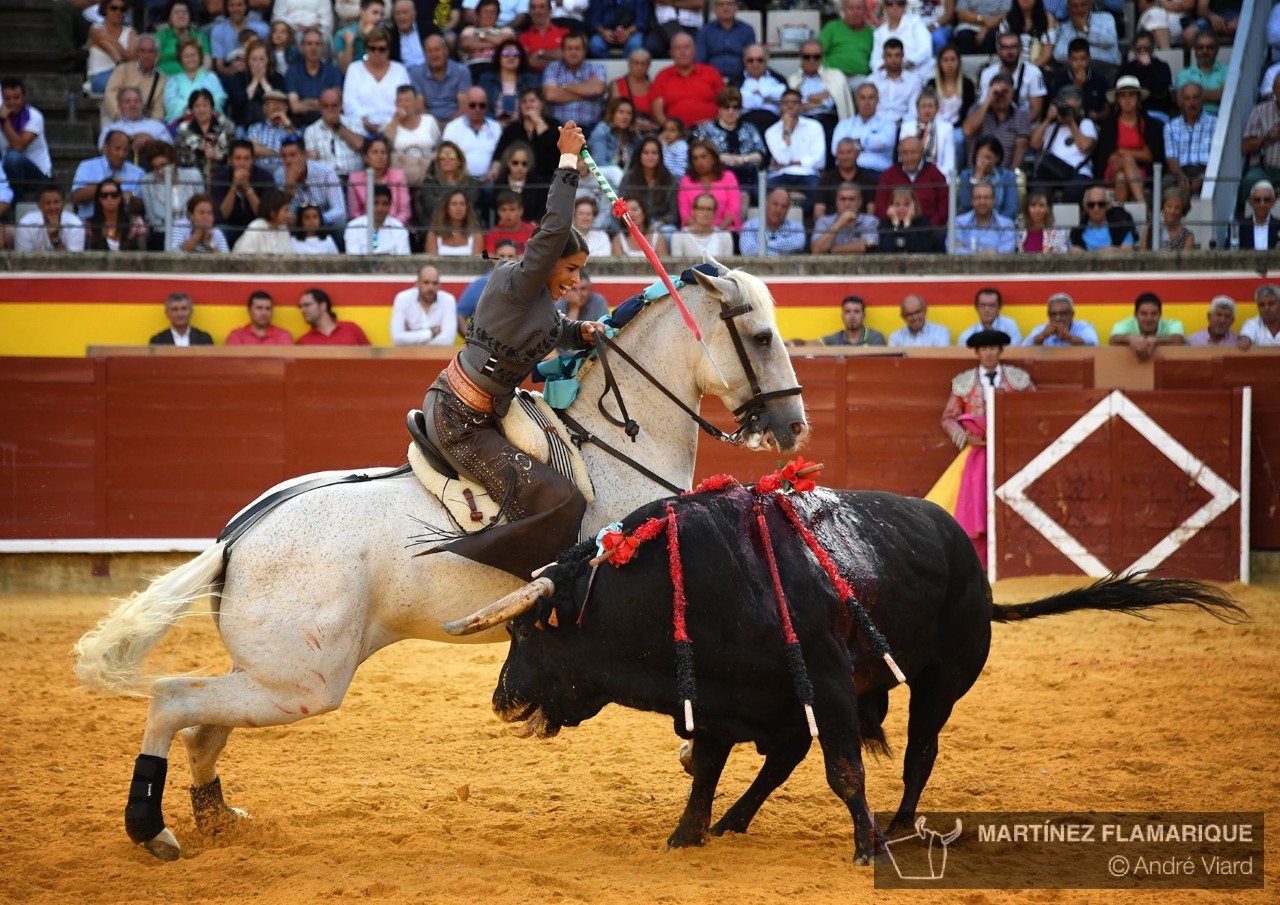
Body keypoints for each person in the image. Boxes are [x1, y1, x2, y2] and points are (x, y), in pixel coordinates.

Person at [419, 119, 597, 581]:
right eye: (571, 268)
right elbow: (556, 225)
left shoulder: (534, 303)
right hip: (460, 421)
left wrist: (585, 333)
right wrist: (567, 159)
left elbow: (557, 330)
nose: (575, 281)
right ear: (548, 259)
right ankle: (517, 584)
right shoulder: (520, 283)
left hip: (483, 412)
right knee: (565, 500)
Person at [926, 328, 1035, 569]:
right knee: (975, 504)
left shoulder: (1019, 379)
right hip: (978, 453)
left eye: (993, 348)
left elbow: (1034, 411)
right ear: (977, 352)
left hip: (1011, 454)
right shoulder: (964, 382)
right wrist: (965, 437)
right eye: (984, 348)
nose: (989, 353)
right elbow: (948, 418)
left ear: (1000, 350)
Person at [1094, 76, 1163, 208]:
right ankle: (1144, 207)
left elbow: (1150, 156)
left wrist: (1122, 151)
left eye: (1131, 95)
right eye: (1123, 96)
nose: (1127, 100)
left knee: (1121, 177)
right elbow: (1106, 156)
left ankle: (1119, 218)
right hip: (1111, 170)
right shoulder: (1109, 125)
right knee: (1126, 161)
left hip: (1139, 171)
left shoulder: (1149, 124)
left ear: (1138, 98)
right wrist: (1131, 155)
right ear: (1117, 99)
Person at [1029, 85, 1096, 203]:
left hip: (1078, 172)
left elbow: (1085, 146)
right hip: (1051, 170)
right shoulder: (1052, 127)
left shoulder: (1085, 124)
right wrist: (1048, 119)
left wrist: (1071, 123)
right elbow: (1034, 144)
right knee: (1038, 191)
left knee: (1072, 192)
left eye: (1070, 109)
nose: (1066, 111)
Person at [695, 87, 767, 193]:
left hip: (747, 180)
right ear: (719, 109)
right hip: (716, 180)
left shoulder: (750, 128)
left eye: (735, 107)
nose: (731, 111)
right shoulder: (706, 129)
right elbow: (697, 155)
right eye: (726, 107)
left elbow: (761, 155)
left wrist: (744, 159)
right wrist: (720, 158)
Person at [831, 83, 898, 196]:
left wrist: (859, 142)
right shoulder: (844, 124)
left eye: (871, 98)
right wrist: (871, 143)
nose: (867, 102)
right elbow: (835, 149)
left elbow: (886, 141)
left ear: (877, 100)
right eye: (863, 98)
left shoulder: (888, 123)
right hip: (847, 172)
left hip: (877, 172)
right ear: (856, 101)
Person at [343, 26, 410, 134]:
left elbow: (406, 102)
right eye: (372, 48)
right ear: (366, 48)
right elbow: (349, 102)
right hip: (360, 126)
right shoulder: (354, 69)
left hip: (395, 125)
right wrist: (365, 121)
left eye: (381, 49)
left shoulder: (400, 70)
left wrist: (392, 123)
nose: (377, 53)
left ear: (389, 50)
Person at [650, 32, 724, 130]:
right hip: (676, 134)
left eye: (686, 47)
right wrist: (671, 129)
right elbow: (657, 111)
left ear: (694, 50)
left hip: (710, 130)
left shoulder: (711, 72)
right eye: (677, 48)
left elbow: (725, 103)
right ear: (671, 53)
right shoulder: (663, 76)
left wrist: (713, 124)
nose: (682, 51)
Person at [764, 90, 824, 208]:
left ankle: (798, 215)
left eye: (794, 102)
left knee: (820, 192)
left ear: (801, 105)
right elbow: (783, 159)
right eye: (786, 103)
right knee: (760, 191)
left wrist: (790, 163)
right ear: (781, 106)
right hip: (781, 174)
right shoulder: (771, 131)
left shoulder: (814, 126)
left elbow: (819, 160)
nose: (790, 106)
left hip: (808, 174)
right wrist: (786, 130)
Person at [962, 72, 1030, 174]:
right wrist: (989, 99)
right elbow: (967, 131)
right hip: (975, 172)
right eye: (997, 92)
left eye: (1005, 91)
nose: (1001, 96)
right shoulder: (977, 109)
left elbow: (1021, 146)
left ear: (1013, 93)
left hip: (1004, 174)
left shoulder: (1021, 115)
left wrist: (1011, 176)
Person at [876, 135, 948, 229]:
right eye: (905, 153)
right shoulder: (889, 175)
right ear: (900, 155)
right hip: (895, 227)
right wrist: (895, 222)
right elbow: (881, 206)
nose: (909, 157)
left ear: (922, 152)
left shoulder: (935, 174)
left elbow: (944, 205)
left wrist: (930, 226)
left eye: (913, 152)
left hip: (929, 228)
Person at [0, 78, 54, 201]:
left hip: (38, 175)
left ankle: (16, 203)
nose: (12, 103)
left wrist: (5, 121)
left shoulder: (35, 116)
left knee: (13, 157)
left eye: (16, 98)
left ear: (24, 97)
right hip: (8, 174)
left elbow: (19, 146)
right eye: (7, 99)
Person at [541, 32, 606, 134]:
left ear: (584, 51)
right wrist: (587, 93)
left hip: (591, 128)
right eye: (569, 48)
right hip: (560, 129)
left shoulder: (596, 68)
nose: (573, 53)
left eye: (577, 48)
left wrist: (564, 87)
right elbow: (550, 95)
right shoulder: (553, 68)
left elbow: (598, 89)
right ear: (562, 51)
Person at [71, 131, 144, 220]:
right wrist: (107, 184)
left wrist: (131, 196)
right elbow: (76, 197)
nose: (121, 154)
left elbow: (141, 206)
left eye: (125, 150)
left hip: (124, 226)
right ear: (106, 147)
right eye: (117, 149)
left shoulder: (137, 172)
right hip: (90, 223)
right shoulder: (87, 166)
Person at [278, 134, 346, 231]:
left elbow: (339, 210)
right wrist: (289, 185)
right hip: (296, 227)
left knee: (340, 225)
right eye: (284, 156)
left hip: (323, 223)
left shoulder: (326, 172)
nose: (287, 161)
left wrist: (313, 221)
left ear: (304, 155)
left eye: (292, 155)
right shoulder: (279, 175)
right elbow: (282, 214)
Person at [212, 140, 274, 245]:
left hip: (256, 228)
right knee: (219, 231)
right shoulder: (219, 177)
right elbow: (222, 215)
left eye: (246, 158)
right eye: (238, 158)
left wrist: (248, 189)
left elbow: (264, 215)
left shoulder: (265, 177)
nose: (242, 163)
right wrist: (234, 187)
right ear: (230, 160)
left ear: (253, 159)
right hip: (230, 227)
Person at [978, 31, 1046, 123]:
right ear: (999, 50)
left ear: (1020, 49)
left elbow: (1036, 110)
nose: (1009, 52)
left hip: (1026, 124)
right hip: (995, 124)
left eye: (1013, 47)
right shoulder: (987, 73)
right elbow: (983, 106)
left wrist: (1017, 128)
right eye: (1005, 47)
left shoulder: (1034, 72)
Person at [455, 238, 519, 333]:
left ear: (517, 258)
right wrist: (472, 340)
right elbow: (460, 315)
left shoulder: (525, 285)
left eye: (510, 256)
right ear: (494, 257)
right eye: (501, 256)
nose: (506, 260)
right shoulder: (479, 285)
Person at [1163, 82, 1215, 198]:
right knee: (1164, 184)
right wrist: (1180, 176)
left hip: (1205, 170)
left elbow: (1217, 157)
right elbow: (1171, 157)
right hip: (1179, 170)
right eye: (1187, 98)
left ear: (1202, 99)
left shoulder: (1215, 124)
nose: (1192, 103)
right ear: (1181, 102)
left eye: (1195, 98)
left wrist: (1203, 177)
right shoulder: (1171, 126)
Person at [102, 34, 167, 127]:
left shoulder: (162, 79)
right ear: (137, 53)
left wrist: (149, 127)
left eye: (150, 51)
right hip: (119, 120)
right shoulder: (123, 70)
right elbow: (110, 94)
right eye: (142, 51)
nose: (146, 55)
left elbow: (158, 110)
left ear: (156, 54)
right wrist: (120, 117)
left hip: (146, 124)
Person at [443, 86, 505, 182]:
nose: (477, 109)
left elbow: (502, 156)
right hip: (461, 181)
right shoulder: (452, 127)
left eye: (482, 105)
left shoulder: (496, 127)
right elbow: (447, 156)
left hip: (491, 180)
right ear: (465, 105)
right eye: (472, 105)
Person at [678, 140, 741, 232]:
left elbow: (733, 209)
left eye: (703, 157)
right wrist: (701, 232)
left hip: (724, 230)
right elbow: (685, 213)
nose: (699, 162)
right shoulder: (686, 181)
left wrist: (718, 230)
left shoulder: (728, 177)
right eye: (695, 158)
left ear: (713, 159)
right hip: (695, 231)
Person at [285, 28, 342, 128]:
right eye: (309, 44)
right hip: (300, 124)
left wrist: (306, 102)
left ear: (323, 47)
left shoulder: (333, 72)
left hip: (327, 124)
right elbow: (295, 107)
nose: (313, 48)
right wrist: (321, 104)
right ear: (302, 47)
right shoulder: (293, 72)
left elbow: (333, 106)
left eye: (317, 44)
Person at [302, 88, 366, 179]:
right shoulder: (311, 131)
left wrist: (338, 126)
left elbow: (360, 145)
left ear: (341, 106)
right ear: (320, 107)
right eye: (326, 106)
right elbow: (312, 163)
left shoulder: (355, 123)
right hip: (327, 181)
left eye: (334, 106)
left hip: (354, 179)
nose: (330, 110)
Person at [163, 38, 227, 126]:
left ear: (199, 56)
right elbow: (171, 103)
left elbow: (219, 98)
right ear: (180, 58)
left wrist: (202, 109)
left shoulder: (210, 77)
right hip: (182, 123)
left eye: (193, 55)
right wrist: (194, 108)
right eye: (186, 56)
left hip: (210, 121)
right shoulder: (173, 80)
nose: (190, 59)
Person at [620, 135, 679, 231]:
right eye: (646, 153)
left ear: (660, 156)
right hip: (634, 221)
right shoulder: (629, 178)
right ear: (639, 155)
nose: (650, 156)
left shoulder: (670, 179)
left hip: (660, 224)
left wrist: (658, 225)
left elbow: (673, 213)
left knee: (669, 231)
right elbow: (621, 205)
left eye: (654, 153)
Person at [409, 34, 472, 124]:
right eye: (429, 51)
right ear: (424, 54)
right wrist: (435, 126)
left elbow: (463, 107)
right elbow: (420, 107)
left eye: (437, 50)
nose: (434, 54)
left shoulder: (461, 71)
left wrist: (449, 126)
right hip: (428, 122)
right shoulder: (416, 74)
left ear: (446, 51)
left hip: (457, 121)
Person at [100, 87, 172, 164]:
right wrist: (129, 140)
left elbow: (169, 150)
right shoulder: (111, 129)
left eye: (136, 101)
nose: (132, 105)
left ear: (142, 105)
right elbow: (103, 150)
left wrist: (151, 141)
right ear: (119, 107)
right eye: (127, 102)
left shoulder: (157, 126)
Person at [391, 264, 458, 346]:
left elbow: (448, 340)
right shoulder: (402, 299)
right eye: (426, 282)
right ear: (417, 284)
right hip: (408, 356)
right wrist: (430, 333)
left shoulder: (448, 300)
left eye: (434, 283)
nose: (430, 288)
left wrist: (412, 340)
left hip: (437, 357)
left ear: (439, 285)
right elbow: (397, 338)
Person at [227, 40, 288, 131]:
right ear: (248, 61)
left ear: (268, 60)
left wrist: (263, 82)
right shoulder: (239, 78)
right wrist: (254, 82)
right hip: (243, 125)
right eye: (254, 59)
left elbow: (279, 102)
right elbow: (237, 103)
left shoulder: (277, 78)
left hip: (273, 125)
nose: (258, 63)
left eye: (261, 59)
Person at [1108, 291, 1185, 362]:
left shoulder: (1173, 324)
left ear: (1160, 315)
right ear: (1135, 315)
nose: (1149, 318)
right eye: (1144, 314)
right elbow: (1112, 340)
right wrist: (1129, 339)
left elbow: (1180, 340)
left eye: (1154, 314)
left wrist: (1155, 340)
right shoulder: (1124, 324)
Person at [957, 135, 1018, 220]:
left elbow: (1011, 209)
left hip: (999, 227)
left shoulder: (1008, 176)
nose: (984, 162)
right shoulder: (966, 175)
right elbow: (966, 203)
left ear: (997, 157)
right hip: (972, 225)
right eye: (980, 157)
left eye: (988, 157)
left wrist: (996, 223)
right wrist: (976, 177)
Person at [480, 40, 538, 128]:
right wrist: (494, 125)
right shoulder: (487, 79)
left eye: (515, 54)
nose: (511, 57)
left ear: (520, 58)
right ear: (499, 57)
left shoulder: (530, 80)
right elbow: (482, 107)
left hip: (523, 127)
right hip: (492, 127)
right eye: (506, 54)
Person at [1119, 30, 1174, 122]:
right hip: (1131, 113)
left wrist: (1149, 67)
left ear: (1152, 49)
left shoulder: (1162, 67)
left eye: (1146, 48)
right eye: (1139, 48)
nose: (1142, 51)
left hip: (1157, 112)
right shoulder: (1126, 69)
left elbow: (1160, 91)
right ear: (1133, 48)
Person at [1241, 72, 1280, 203]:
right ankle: (1247, 221)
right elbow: (1245, 147)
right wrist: (1272, 136)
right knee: (1251, 180)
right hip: (1265, 169)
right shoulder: (1260, 110)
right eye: (1279, 87)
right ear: (1274, 89)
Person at [811, 182, 878, 256]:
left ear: (860, 201)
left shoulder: (870, 221)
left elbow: (867, 247)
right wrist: (839, 223)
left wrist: (831, 250)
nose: (847, 204)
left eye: (851, 199)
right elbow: (816, 250)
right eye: (843, 199)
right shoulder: (823, 221)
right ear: (836, 201)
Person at [900, 90, 956, 178]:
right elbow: (902, 158)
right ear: (917, 109)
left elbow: (949, 163)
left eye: (930, 106)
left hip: (937, 177)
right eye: (923, 106)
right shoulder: (906, 127)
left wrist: (935, 177)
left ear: (937, 109)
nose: (927, 110)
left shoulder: (946, 128)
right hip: (910, 176)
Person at [86, 1, 138, 95]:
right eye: (113, 8)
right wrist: (121, 60)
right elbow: (111, 50)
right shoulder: (96, 29)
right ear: (105, 9)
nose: (118, 12)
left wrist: (110, 39)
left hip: (124, 74)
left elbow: (132, 58)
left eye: (122, 9)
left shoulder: (131, 32)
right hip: (100, 75)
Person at [871, 0, 933, 79]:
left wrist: (905, 63)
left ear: (905, 5)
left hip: (920, 74)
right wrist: (889, 66)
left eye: (900, 3)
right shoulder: (879, 32)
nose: (895, 7)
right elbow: (875, 61)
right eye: (889, 3)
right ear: (884, 6)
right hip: (889, 78)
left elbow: (925, 49)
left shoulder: (915, 22)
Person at [697, 0, 755, 84]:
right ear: (715, 9)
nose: (725, 7)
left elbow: (752, 59)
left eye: (730, 4)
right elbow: (699, 60)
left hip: (741, 79)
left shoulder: (747, 30)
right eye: (721, 4)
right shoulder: (705, 31)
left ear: (736, 7)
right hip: (711, 80)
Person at [345, 183, 412, 255]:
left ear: (390, 206)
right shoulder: (353, 227)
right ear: (367, 204)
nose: (380, 209)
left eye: (385, 204)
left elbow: (403, 262)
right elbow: (354, 261)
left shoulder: (399, 228)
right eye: (375, 203)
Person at [14, 185, 85, 252]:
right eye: (47, 203)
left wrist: (55, 239)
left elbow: (73, 261)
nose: (52, 208)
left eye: (56, 202)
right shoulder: (26, 224)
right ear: (39, 206)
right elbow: (23, 260)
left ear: (63, 204)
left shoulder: (76, 224)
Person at [868, 38, 923, 123]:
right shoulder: (872, 80)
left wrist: (902, 121)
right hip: (875, 123)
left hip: (903, 125)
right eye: (889, 55)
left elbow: (913, 110)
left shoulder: (914, 81)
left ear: (903, 55)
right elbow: (867, 107)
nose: (893, 59)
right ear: (883, 56)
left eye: (897, 55)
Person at [820, 0, 874, 84]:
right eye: (851, 8)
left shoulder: (870, 33)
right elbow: (817, 51)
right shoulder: (832, 27)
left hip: (859, 78)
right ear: (844, 10)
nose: (855, 12)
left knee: (868, 90)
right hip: (833, 76)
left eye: (859, 8)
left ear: (865, 11)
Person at [84, 178, 146, 251]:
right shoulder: (89, 225)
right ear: (99, 199)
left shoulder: (136, 222)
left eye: (114, 195)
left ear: (120, 198)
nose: (109, 198)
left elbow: (143, 253)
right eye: (104, 195)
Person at [1053, 0, 1119, 69]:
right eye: (1074, 6)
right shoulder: (1065, 27)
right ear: (1069, 9)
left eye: (1083, 5)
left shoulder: (1105, 18)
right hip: (1076, 71)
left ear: (1090, 6)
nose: (1079, 9)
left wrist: (1084, 29)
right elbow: (1059, 55)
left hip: (1107, 68)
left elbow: (1110, 41)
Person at [740, 187, 806, 257]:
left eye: (783, 207)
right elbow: (747, 250)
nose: (778, 210)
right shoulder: (750, 226)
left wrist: (766, 244)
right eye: (775, 204)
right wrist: (779, 254)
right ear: (766, 205)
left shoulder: (796, 227)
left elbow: (798, 244)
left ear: (788, 210)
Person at [1070, 184, 1135, 253]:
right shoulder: (1076, 232)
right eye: (1091, 204)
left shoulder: (1121, 226)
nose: (1096, 208)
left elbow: (1127, 252)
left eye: (1101, 204)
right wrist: (1107, 251)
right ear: (1086, 207)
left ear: (1107, 205)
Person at [876, 186, 943, 253]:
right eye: (897, 204)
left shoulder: (923, 224)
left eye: (906, 204)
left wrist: (908, 226)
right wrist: (895, 225)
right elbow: (884, 250)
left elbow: (921, 251)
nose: (901, 209)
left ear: (914, 205)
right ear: (891, 206)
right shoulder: (885, 224)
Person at [1174, 30, 1226, 117]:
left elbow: (1226, 97)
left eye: (1209, 47)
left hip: (1220, 120)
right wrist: (1215, 94)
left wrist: (1191, 95)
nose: (1204, 51)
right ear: (1194, 50)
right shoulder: (1184, 74)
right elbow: (1180, 100)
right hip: (1191, 120)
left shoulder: (1228, 71)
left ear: (1217, 49)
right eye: (1200, 47)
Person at [953, 182, 1015, 255]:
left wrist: (969, 253)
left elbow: (1006, 253)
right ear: (972, 201)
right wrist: (991, 253)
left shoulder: (1006, 225)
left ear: (994, 200)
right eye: (978, 197)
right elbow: (953, 251)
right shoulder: (959, 223)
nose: (982, 202)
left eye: (986, 197)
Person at [212, 0, 268, 78]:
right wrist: (230, 70)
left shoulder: (262, 29)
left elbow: (269, 58)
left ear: (246, 6)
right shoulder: (218, 30)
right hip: (230, 72)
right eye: (231, 5)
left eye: (240, 5)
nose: (236, 9)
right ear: (227, 8)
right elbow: (219, 66)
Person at [295, 288, 371, 345]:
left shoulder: (351, 329)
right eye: (300, 307)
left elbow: (372, 360)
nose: (302, 310)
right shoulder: (303, 342)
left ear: (323, 306)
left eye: (307, 305)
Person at [1023, 291, 1100, 346]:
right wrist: (1043, 336)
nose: (1057, 318)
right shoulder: (1041, 330)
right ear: (1048, 315)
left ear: (1072, 314)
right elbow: (1023, 348)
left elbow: (1093, 343)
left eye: (1062, 313)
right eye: (1053, 314)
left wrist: (1069, 338)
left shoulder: (1084, 327)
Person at [669, 192, 732, 258]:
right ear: (693, 211)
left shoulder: (725, 236)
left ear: (715, 212)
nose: (705, 213)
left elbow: (728, 266)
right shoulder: (679, 236)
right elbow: (677, 266)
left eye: (709, 209)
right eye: (701, 209)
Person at [155, 1, 211, 76]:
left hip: (193, 81)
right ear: (169, 19)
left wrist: (194, 78)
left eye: (185, 12)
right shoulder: (160, 36)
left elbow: (207, 64)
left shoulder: (200, 37)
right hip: (164, 80)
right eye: (176, 12)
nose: (181, 16)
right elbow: (153, 62)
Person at [232, 187, 294, 253]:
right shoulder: (256, 228)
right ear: (272, 213)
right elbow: (243, 258)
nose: (289, 215)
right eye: (286, 210)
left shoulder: (283, 229)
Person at [612, 48, 659, 134]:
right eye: (635, 63)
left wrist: (651, 125)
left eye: (643, 64)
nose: (639, 67)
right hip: (623, 130)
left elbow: (657, 117)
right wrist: (635, 122)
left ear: (648, 66)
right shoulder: (618, 84)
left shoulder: (654, 87)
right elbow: (615, 111)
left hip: (647, 131)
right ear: (629, 64)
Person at [336, 0, 388, 74]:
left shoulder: (384, 36)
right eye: (375, 13)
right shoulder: (342, 35)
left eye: (381, 14)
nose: (378, 18)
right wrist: (349, 45)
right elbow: (345, 71)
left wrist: (371, 37)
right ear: (362, 12)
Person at [1001, 0, 1057, 69]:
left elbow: (1046, 55)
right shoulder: (1007, 19)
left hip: (1038, 69)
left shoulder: (1047, 19)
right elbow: (1002, 49)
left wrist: (1027, 72)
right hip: (1011, 68)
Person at [957, 287, 1022, 347]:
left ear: (999, 307)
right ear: (976, 307)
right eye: (983, 305)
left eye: (992, 305)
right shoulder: (966, 336)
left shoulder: (1010, 326)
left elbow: (1015, 352)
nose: (987, 309)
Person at [1229, 179, 1280, 252]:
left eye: (1266, 200)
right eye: (1257, 200)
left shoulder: (1278, 226)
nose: (1262, 204)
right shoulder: (1239, 227)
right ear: (1251, 202)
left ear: (1272, 202)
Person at [226, 290, 293, 344]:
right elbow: (233, 361)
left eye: (268, 308)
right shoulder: (237, 336)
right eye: (259, 308)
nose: (264, 313)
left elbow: (287, 360)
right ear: (249, 310)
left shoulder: (282, 335)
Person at [519, 0, 567, 75]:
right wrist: (555, 59)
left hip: (560, 77)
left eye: (542, 7)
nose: (537, 11)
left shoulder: (564, 33)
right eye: (533, 7)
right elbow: (530, 62)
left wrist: (540, 54)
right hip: (533, 78)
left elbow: (566, 55)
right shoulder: (523, 37)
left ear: (550, 10)